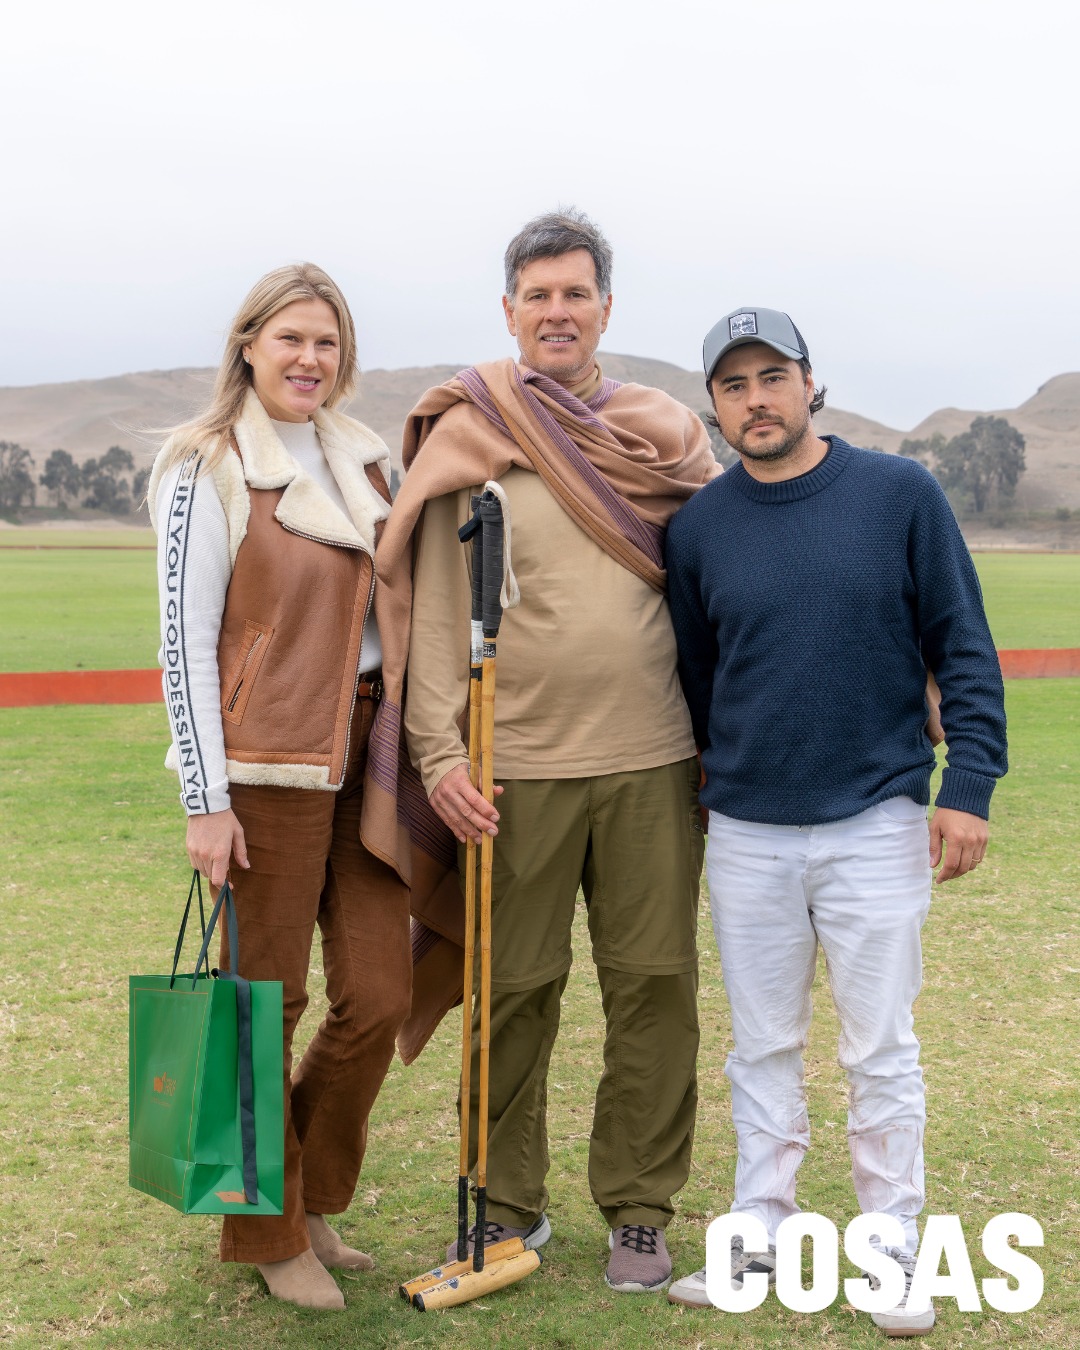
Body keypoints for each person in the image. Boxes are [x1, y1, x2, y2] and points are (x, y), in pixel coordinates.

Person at [375, 209, 718, 1293]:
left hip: (655, 760)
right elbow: (433, 612)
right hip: (508, 772)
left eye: (577, 294)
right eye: (539, 295)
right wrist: (438, 756)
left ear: (605, 309)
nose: (558, 312)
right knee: (513, 988)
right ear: (510, 312)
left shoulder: (665, 431)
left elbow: (722, 586)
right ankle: (505, 1210)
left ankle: (641, 1210)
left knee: (654, 985)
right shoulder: (471, 428)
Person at [663, 307, 1008, 1334]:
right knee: (760, 1047)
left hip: (876, 819)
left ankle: (892, 1248)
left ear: (812, 385)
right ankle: (758, 1234)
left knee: (879, 1049)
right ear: (715, 407)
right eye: (734, 385)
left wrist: (969, 787)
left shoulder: (900, 495)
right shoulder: (701, 528)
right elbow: (698, 679)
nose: (755, 399)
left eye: (774, 377)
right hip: (750, 832)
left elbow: (965, 646)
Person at [148, 263, 415, 1311]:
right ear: (249, 343)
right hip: (265, 768)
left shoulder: (365, 461)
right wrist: (203, 801)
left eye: (329, 343)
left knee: (381, 994)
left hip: (369, 754)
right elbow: (181, 641)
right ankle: (267, 1232)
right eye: (292, 339)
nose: (311, 359)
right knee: (265, 1003)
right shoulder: (205, 465)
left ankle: (304, 1197)